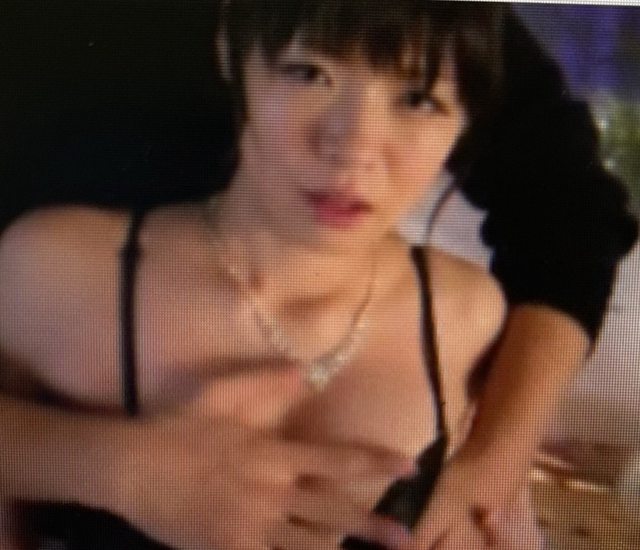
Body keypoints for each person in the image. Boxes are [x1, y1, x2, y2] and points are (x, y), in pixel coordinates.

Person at [0, 2, 636, 550]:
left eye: (417, 99)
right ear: (230, 54)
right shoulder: (51, 270)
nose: (354, 148)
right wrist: (114, 466)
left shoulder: (464, 315)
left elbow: (571, 210)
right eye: (308, 74)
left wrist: (500, 454)